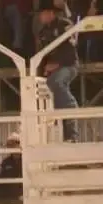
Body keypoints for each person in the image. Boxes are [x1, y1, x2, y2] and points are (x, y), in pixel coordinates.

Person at [37, 0, 79, 142]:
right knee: (54, 95)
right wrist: (41, 69)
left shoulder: (64, 25)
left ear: (50, 13)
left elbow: (70, 48)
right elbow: (43, 55)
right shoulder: (42, 33)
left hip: (69, 65)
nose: (39, 17)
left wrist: (57, 64)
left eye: (41, 14)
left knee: (55, 83)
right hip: (53, 69)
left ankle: (71, 105)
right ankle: (69, 135)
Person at [0, 132, 23, 204]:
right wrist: (0, 201)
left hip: (24, 199)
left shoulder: (26, 161)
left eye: (12, 145)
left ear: (19, 144)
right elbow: (1, 183)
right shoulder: (6, 162)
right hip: (10, 199)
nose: (10, 147)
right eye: (9, 145)